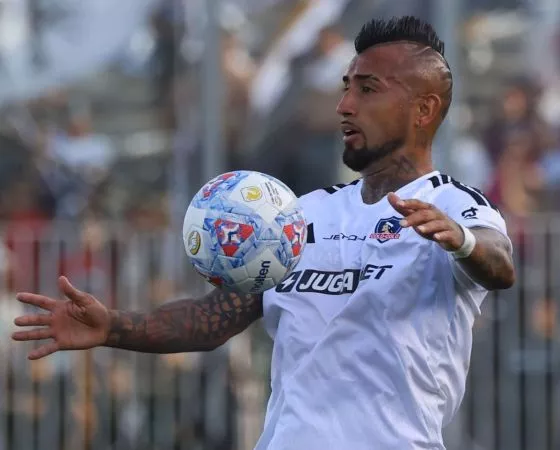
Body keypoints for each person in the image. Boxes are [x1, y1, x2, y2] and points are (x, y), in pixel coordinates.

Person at [12, 17, 516, 450]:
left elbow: (499, 265)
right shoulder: (300, 216)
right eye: (345, 86)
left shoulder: (453, 204)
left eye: (367, 89)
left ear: (423, 109)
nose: (344, 105)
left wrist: (463, 240)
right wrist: (113, 327)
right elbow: (212, 320)